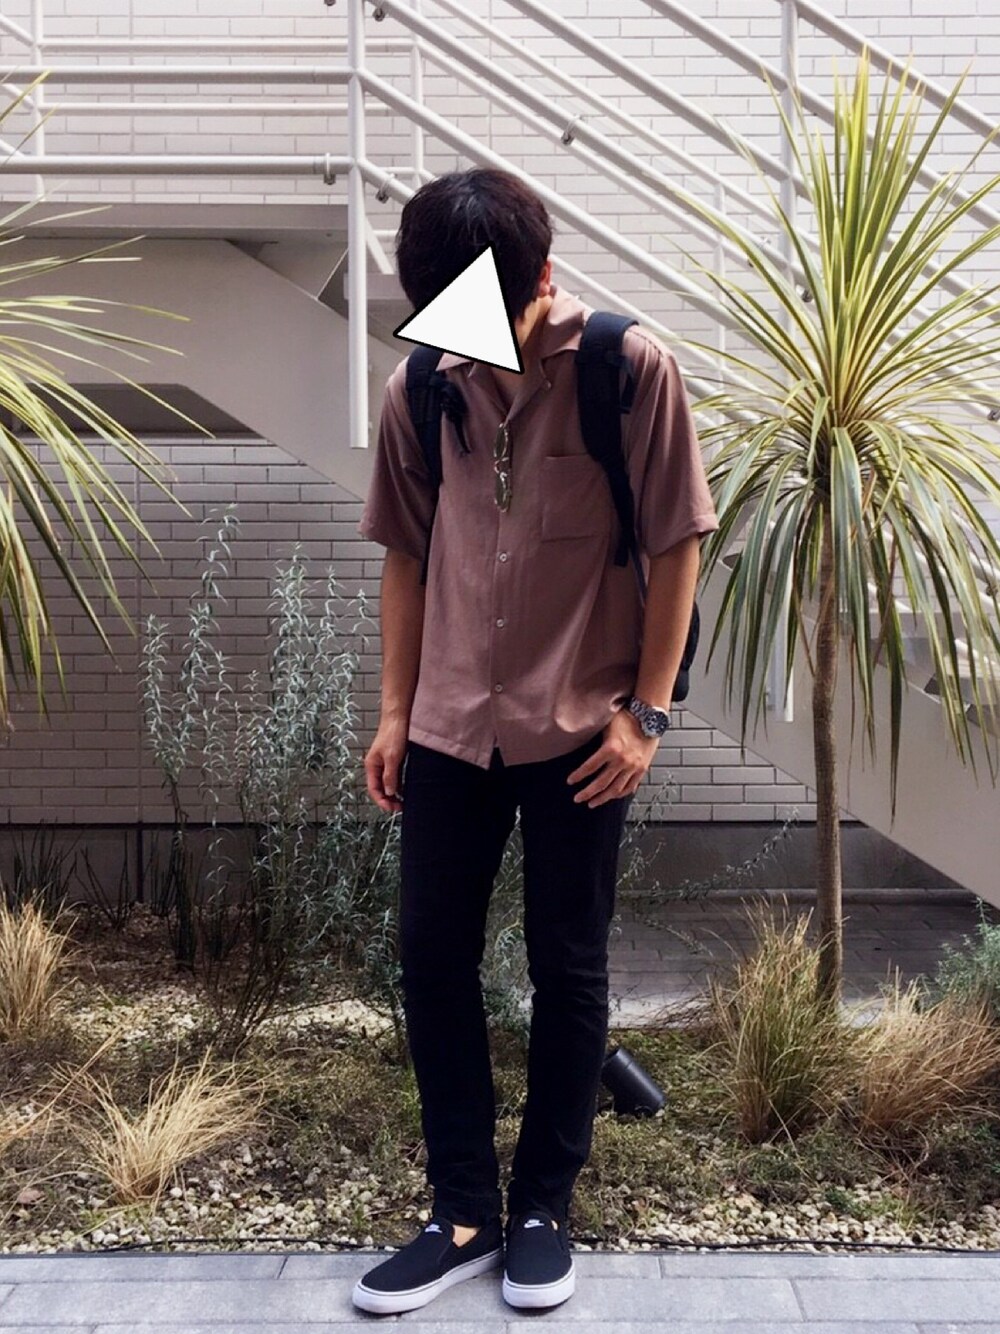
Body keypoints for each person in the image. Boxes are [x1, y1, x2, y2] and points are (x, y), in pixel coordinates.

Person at [352, 167, 719, 1315]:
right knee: (430, 958)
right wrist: (394, 710)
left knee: (568, 966)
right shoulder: (421, 385)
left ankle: (542, 1208)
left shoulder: (626, 369)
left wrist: (646, 713)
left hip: (582, 728)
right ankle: (460, 1208)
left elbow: (677, 544)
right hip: (452, 724)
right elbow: (406, 553)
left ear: (543, 279)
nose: (472, 349)